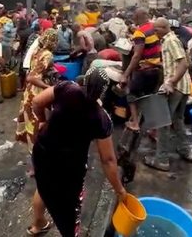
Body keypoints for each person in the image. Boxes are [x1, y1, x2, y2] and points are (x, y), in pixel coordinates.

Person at [28, 70, 128, 236]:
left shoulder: (67, 88)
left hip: (43, 151)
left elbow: (37, 102)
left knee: (43, 186)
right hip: (69, 166)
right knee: (69, 208)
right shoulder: (101, 118)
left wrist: (43, 120)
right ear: (104, 93)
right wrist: (120, 190)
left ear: (84, 80)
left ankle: (38, 224)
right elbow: (108, 160)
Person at [144, 17, 192, 171]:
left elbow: (184, 63)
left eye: (157, 29)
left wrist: (171, 82)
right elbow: (186, 61)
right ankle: (186, 151)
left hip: (175, 87)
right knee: (177, 120)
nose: (155, 32)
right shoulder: (174, 39)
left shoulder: (170, 41)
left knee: (163, 123)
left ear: (165, 27)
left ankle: (162, 160)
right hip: (184, 87)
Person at [16, 29, 60, 177]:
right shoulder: (47, 54)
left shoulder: (38, 50)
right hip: (37, 93)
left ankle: (37, 163)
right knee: (39, 128)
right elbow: (32, 77)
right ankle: (38, 166)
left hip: (30, 93)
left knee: (33, 128)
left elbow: (30, 73)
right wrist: (50, 88)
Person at [120, 8, 163, 130]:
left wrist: (126, 74)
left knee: (131, 95)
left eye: (134, 17)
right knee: (151, 98)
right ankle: (154, 130)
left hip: (144, 70)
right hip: (157, 68)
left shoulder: (139, 33)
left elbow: (137, 56)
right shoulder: (154, 28)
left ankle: (135, 123)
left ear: (137, 18)